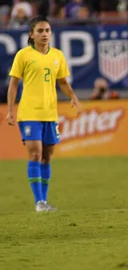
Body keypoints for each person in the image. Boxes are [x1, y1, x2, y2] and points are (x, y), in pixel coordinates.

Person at [5, 16, 80, 212]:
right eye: (39, 31)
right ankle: (38, 202)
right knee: (35, 153)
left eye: (47, 30)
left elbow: (62, 81)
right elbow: (13, 83)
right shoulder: (23, 55)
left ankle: (44, 201)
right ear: (31, 34)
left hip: (50, 113)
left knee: (47, 157)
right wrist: (11, 110)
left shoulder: (57, 56)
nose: (44, 34)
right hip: (29, 112)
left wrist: (72, 96)